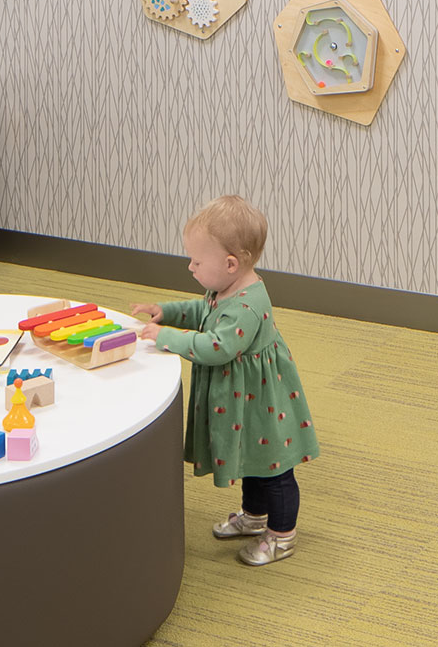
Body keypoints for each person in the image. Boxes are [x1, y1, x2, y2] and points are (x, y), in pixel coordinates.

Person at [133, 195, 318, 566]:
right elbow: (204, 311)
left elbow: (217, 346)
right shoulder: (225, 289)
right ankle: (254, 516)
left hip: (262, 402)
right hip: (243, 398)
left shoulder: (249, 305)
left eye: (197, 261)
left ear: (230, 264)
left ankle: (282, 536)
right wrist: (166, 312)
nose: (190, 267)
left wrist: (167, 338)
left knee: (274, 468)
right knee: (253, 458)